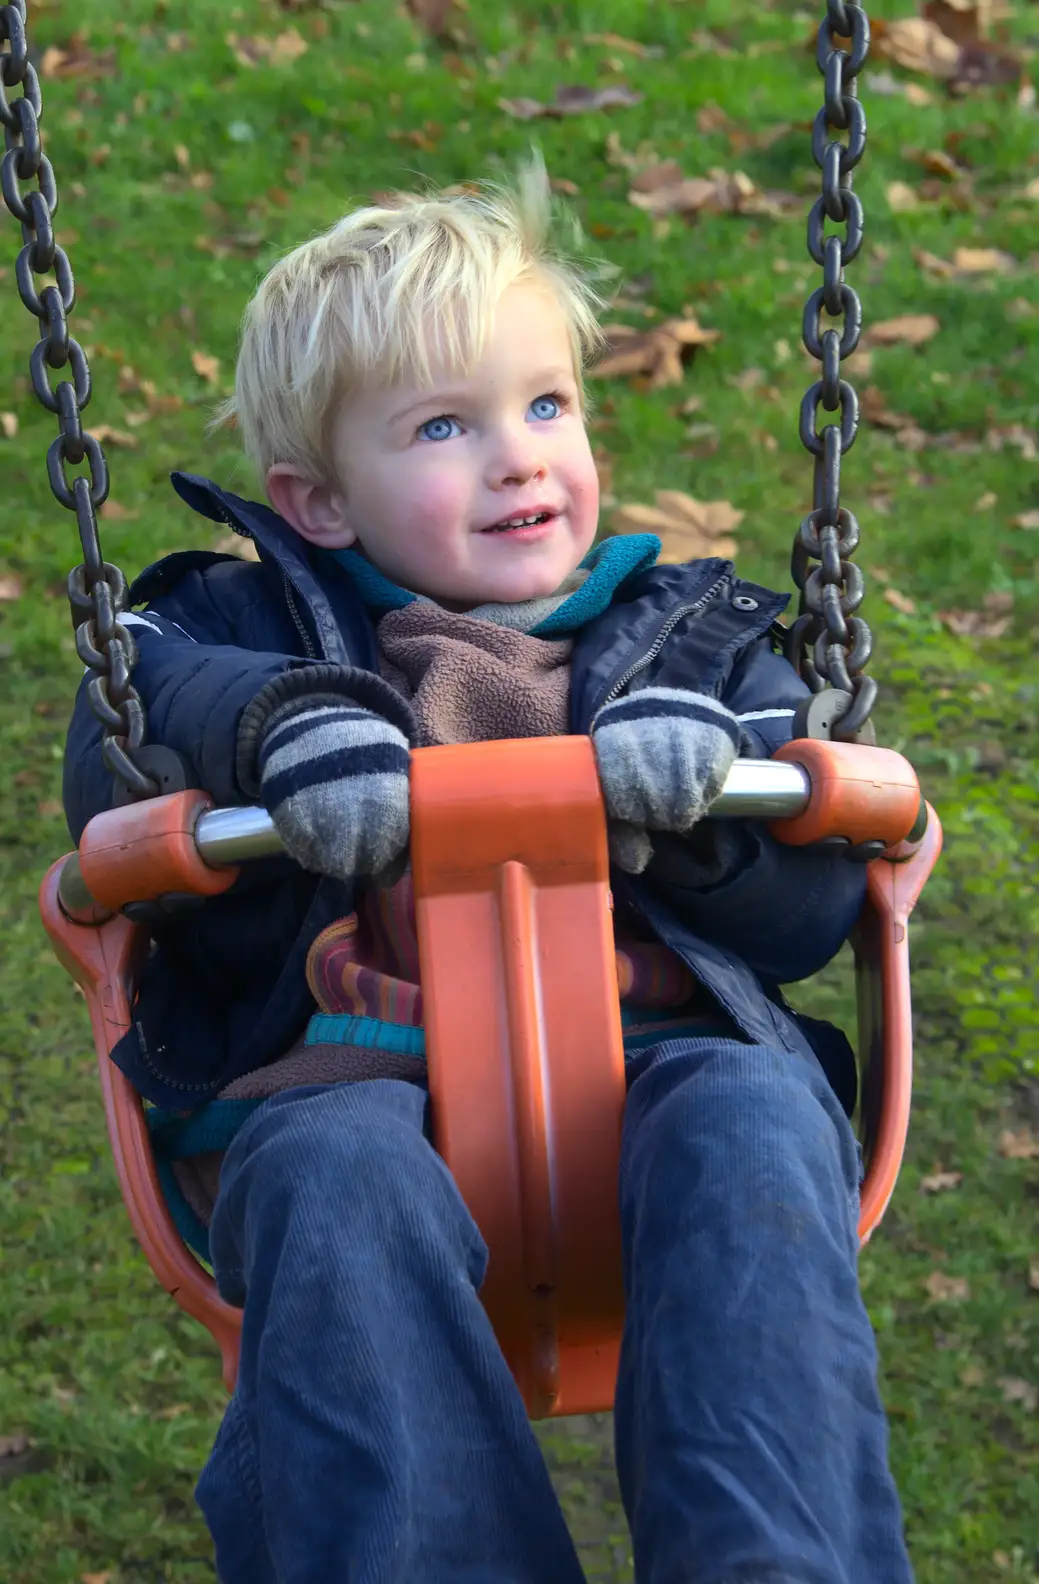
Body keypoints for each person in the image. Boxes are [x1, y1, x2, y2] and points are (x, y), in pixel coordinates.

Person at [63, 156, 913, 1584]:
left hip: (663, 1079)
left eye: (545, 404)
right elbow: (127, 721)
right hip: (347, 1090)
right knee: (334, 1183)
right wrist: (283, 729)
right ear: (319, 503)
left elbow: (809, 906)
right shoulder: (230, 625)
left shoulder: (695, 643)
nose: (518, 454)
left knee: (758, 1124)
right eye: (444, 426)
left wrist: (701, 798)